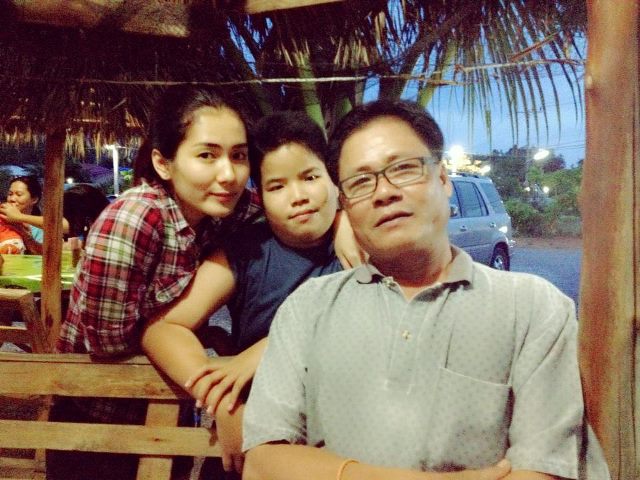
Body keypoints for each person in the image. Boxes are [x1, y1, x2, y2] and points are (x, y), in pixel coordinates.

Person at [242, 100, 610, 480]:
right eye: (360, 182)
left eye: (403, 169)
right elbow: (263, 462)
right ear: (345, 205)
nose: (384, 192)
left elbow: (544, 469)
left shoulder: (532, 307)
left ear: (443, 179)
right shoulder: (307, 308)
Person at [51, 85, 262, 480]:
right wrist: (188, 332)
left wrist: (340, 225)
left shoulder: (222, 209)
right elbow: (107, 343)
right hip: (97, 421)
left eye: (238, 155)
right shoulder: (134, 219)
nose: (229, 174)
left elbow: (285, 208)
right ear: (164, 163)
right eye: (207, 155)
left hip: (168, 411)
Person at [141, 111, 344, 476]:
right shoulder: (249, 250)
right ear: (260, 198)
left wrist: (265, 352)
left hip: (338, 441)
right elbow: (162, 328)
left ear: (333, 179)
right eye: (276, 186)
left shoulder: (363, 245)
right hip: (251, 435)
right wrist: (219, 395)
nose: (298, 197)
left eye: (310, 177)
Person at [0, 175, 45, 254]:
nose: (12, 199)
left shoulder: (39, 227)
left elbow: (43, 254)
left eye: (19, 194)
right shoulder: (2, 219)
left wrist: (25, 234)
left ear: (34, 199)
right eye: (10, 194)